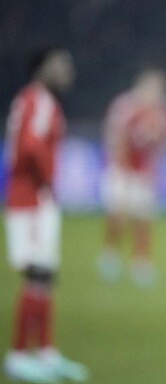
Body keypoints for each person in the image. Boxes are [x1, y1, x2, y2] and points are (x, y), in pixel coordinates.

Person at [3, 47, 89, 383]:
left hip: (34, 198)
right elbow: (29, 145)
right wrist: (49, 179)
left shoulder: (33, 100)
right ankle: (18, 354)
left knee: (44, 276)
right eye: (60, 65)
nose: (67, 71)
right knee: (36, 274)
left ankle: (46, 351)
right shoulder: (39, 100)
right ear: (42, 69)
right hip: (31, 199)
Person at [97, 67, 166, 288]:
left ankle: (140, 263)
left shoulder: (165, 111)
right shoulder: (125, 107)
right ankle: (110, 255)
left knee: (144, 219)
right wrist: (118, 166)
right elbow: (114, 136)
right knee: (117, 215)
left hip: (145, 173)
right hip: (122, 169)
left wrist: (157, 169)